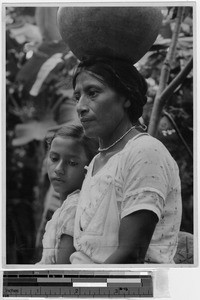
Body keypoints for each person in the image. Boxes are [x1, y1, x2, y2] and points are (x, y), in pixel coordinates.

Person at [69, 56, 182, 264]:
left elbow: (130, 256)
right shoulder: (97, 161)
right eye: (77, 97)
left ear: (126, 97)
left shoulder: (144, 151)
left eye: (92, 93)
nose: (80, 107)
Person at [37, 123, 98, 264]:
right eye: (54, 158)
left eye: (71, 163)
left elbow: (62, 272)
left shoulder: (74, 209)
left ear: (90, 167)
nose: (58, 169)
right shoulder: (69, 206)